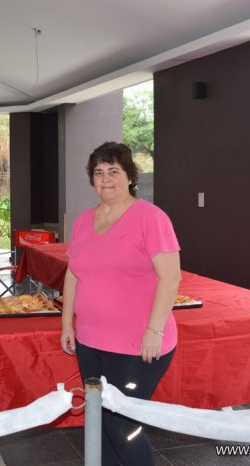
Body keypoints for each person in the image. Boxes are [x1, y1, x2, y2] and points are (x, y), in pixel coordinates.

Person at [60, 141, 181, 465]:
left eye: (114, 170)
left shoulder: (151, 218)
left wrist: (154, 331)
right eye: (99, 172)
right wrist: (67, 324)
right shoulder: (83, 221)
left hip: (137, 346)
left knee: (121, 426)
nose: (106, 178)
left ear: (129, 176)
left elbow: (171, 278)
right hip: (90, 342)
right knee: (100, 422)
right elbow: (72, 275)